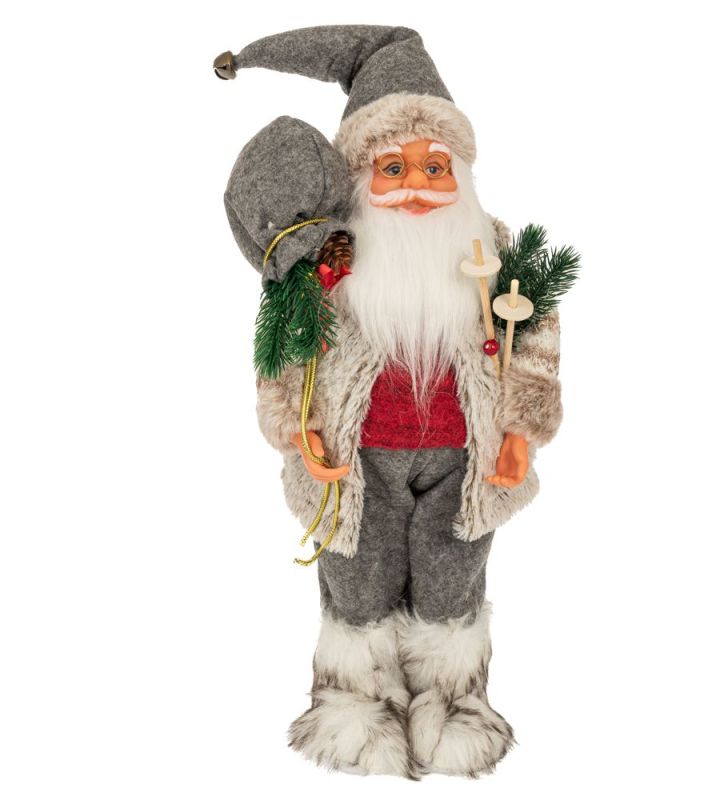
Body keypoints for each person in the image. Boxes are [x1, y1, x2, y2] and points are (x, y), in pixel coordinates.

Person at [216, 25, 564, 780]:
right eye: (393, 167)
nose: (415, 186)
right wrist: (298, 428)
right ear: (358, 174)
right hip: (358, 459)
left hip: (464, 461)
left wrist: (519, 431)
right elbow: (286, 348)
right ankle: (353, 703)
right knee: (357, 575)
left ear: (462, 172)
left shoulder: (495, 248)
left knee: (453, 574)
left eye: (436, 167)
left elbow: (534, 338)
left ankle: (455, 702)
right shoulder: (331, 259)